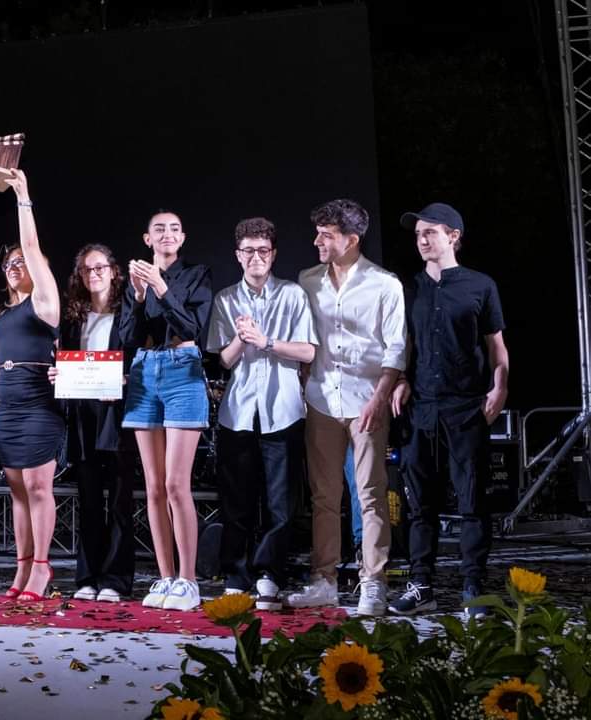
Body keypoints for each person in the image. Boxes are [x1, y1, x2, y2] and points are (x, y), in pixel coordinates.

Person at [388, 203, 509, 619]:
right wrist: (401, 379)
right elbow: (405, 344)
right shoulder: (410, 288)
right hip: (421, 409)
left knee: (473, 501)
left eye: (430, 232)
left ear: (453, 236)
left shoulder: (480, 285)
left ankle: (473, 587)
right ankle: (421, 585)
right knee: (420, 505)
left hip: (466, 408)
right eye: (418, 234)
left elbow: (496, 346)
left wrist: (500, 385)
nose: (422, 240)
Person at [288, 199, 406, 617]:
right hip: (321, 400)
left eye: (326, 235)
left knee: (371, 493)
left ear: (351, 239)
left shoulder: (385, 284)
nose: (317, 241)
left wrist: (380, 397)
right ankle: (324, 580)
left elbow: (396, 346)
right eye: (317, 233)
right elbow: (302, 339)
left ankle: (373, 582)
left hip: (366, 401)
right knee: (323, 496)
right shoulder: (307, 280)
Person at [205, 218, 316, 610]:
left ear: (274, 254)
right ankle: (235, 575)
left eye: (263, 250)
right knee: (236, 500)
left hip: (282, 409)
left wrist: (266, 341)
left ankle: (270, 574)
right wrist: (242, 338)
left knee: (280, 503)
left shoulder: (293, 294)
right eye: (248, 251)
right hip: (237, 412)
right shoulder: (225, 299)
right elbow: (222, 360)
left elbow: (308, 351)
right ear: (238, 255)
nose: (256, 257)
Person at [120, 210, 212, 612]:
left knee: (176, 484)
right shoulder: (136, 281)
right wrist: (140, 295)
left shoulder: (197, 275)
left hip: (182, 371)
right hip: (145, 372)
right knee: (154, 486)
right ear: (147, 239)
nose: (167, 234)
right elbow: (127, 337)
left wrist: (160, 287)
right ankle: (166, 576)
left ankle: (189, 580)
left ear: (183, 237)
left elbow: (192, 328)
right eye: (159, 229)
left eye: (174, 228)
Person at [0, 170, 62, 602]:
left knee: (38, 488)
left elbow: (31, 248)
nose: (15, 266)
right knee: (17, 491)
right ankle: (21, 565)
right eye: (9, 264)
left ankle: (42, 567)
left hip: (38, 407)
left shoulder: (44, 302)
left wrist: (22, 196)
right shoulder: (4, 315)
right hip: (7, 410)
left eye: (22, 262)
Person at [54, 243, 135, 603]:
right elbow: (65, 360)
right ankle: (87, 576)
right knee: (87, 499)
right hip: (83, 414)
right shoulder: (74, 316)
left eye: (100, 267)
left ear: (114, 272)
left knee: (119, 500)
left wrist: (126, 379)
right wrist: (59, 373)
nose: (94, 274)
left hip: (118, 414)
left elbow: (138, 359)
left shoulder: (129, 313)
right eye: (87, 269)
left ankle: (115, 580)